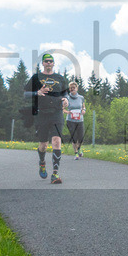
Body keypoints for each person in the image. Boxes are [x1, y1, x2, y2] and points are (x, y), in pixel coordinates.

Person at [25, 52, 69, 184]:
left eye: (51, 61)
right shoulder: (36, 77)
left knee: (56, 141)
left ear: (54, 63)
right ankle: (42, 162)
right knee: (43, 145)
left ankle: (55, 174)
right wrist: (36, 92)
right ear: (43, 63)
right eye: (46, 61)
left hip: (56, 113)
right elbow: (25, 93)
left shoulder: (60, 78)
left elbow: (65, 93)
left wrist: (66, 100)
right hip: (42, 114)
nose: (49, 63)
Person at [64, 82, 86, 159]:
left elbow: (83, 107)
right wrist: (68, 112)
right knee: (74, 137)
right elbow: (62, 108)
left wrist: (83, 110)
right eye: (71, 88)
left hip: (80, 120)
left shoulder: (81, 97)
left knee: (81, 138)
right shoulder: (67, 98)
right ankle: (76, 153)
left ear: (76, 88)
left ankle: (79, 149)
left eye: (74, 87)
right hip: (70, 120)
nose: (72, 89)